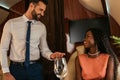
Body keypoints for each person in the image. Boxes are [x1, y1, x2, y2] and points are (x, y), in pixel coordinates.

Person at [0, 0, 65, 80]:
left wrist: (51, 55)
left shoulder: (41, 27)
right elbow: (3, 49)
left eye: (44, 11)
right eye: (40, 10)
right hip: (16, 69)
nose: (42, 14)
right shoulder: (11, 24)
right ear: (31, 6)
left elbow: (44, 49)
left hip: (35, 69)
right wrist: (6, 72)